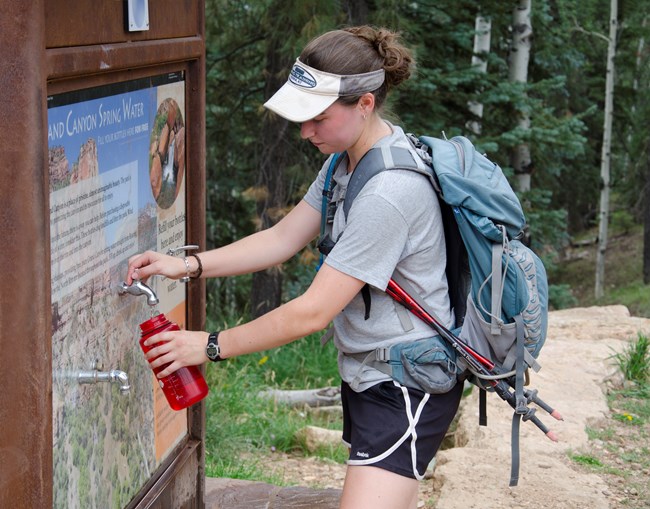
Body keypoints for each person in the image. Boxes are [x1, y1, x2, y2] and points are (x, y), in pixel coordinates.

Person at [126, 25, 463, 509]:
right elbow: (282, 238)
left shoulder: (390, 193)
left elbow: (311, 313)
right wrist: (187, 265)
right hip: (374, 372)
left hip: (405, 384)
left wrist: (208, 345)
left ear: (364, 104)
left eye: (318, 118)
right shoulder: (346, 161)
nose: (305, 132)